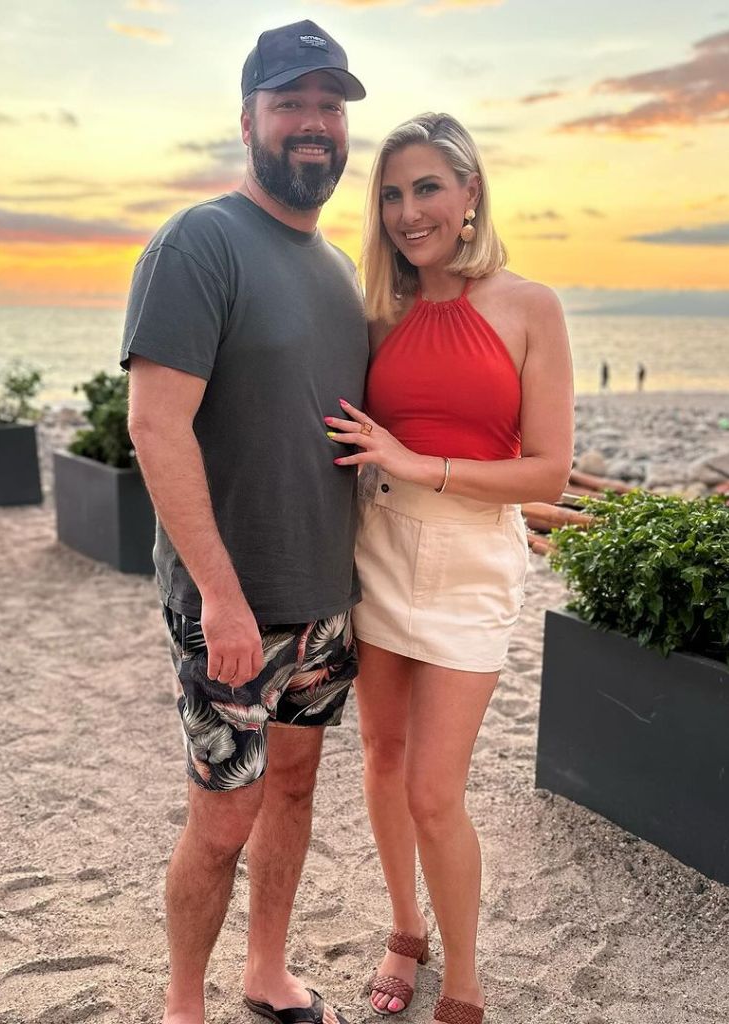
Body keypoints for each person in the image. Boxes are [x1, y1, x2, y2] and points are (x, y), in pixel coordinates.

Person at [120, 21, 368, 1024]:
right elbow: (154, 423)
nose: (312, 124)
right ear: (249, 120)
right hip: (231, 605)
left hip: (324, 600)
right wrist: (219, 595)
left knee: (294, 797)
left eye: (329, 105)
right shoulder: (199, 243)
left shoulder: (340, 268)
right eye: (290, 103)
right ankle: (186, 1004)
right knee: (222, 820)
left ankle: (266, 972)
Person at [323, 113, 574, 1024]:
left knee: (436, 790)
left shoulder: (530, 306)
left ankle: (464, 977)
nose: (406, 211)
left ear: (470, 194)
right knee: (384, 760)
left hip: (472, 557)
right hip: (378, 544)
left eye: (427, 187)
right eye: (390, 194)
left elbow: (547, 469)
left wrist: (421, 462)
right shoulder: (373, 308)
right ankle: (404, 929)